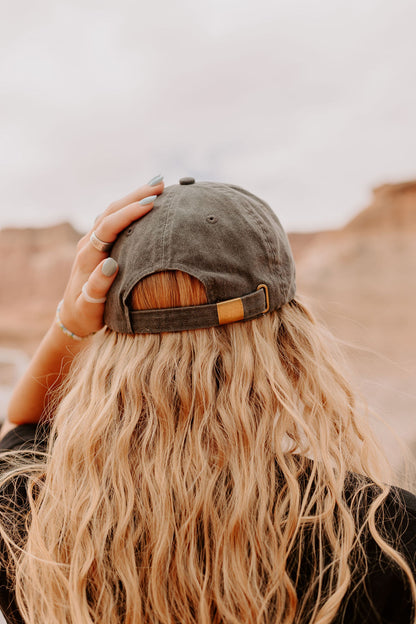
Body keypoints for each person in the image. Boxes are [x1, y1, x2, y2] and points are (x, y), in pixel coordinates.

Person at [0, 175, 414, 624]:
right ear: (290, 347)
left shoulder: (31, 513)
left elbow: (25, 424)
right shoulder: (383, 534)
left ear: (111, 355)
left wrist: (69, 322)